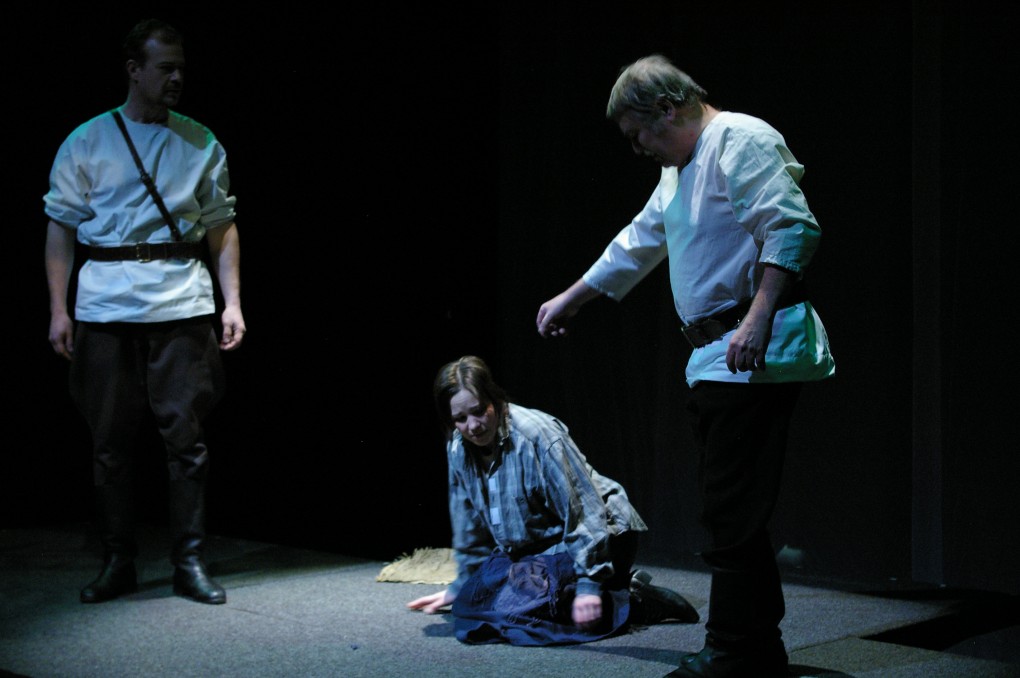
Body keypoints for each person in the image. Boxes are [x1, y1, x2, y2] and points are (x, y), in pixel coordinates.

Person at [536, 55, 836, 677]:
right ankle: (756, 649)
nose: (638, 148)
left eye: (638, 133)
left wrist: (756, 319)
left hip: (751, 351)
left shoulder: (739, 138)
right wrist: (572, 297)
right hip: (716, 355)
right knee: (732, 510)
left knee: (731, 510)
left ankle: (736, 649)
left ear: (667, 108)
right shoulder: (679, 169)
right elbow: (639, 239)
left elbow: (791, 227)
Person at [43, 18, 245, 606]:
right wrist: (58, 310)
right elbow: (60, 228)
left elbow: (222, 227)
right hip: (105, 306)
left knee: (187, 441)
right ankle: (118, 561)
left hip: (181, 304)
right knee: (109, 443)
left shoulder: (201, 141)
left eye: (181, 67)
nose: (177, 77)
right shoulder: (87, 140)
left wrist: (233, 302)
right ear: (134, 70)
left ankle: (189, 562)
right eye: (165, 68)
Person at [407, 355, 699, 646]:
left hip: (597, 538)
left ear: (495, 400)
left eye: (479, 411)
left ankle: (632, 601)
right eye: (460, 419)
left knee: (514, 614)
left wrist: (588, 584)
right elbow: (468, 522)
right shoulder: (459, 448)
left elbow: (583, 510)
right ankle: (593, 592)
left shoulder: (537, 435)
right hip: (533, 551)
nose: (473, 426)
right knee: (468, 606)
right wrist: (463, 585)